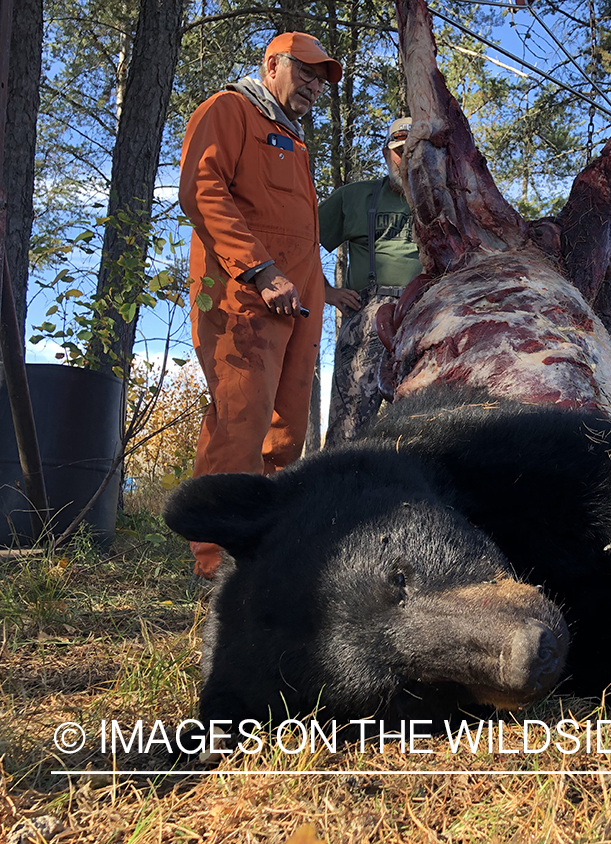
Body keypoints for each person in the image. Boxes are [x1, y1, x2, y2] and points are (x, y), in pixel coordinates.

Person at [179, 32, 357, 578]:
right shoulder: (228, 110)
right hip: (242, 297)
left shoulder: (293, 140)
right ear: (271, 65)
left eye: (320, 81)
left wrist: (321, 288)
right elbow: (201, 190)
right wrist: (260, 270)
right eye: (304, 73)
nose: (312, 87)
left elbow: (296, 234)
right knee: (241, 421)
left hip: (296, 301)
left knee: (288, 429)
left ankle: (262, 545)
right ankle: (216, 561)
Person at [318, 116, 423, 445]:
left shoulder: (445, 201)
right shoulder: (354, 197)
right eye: (400, 150)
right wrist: (325, 290)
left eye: (416, 151)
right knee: (348, 431)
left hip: (426, 316)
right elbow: (298, 239)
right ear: (385, 153)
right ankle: (337, 491)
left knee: (421, 425)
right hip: (368, 316)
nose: (406, 159)